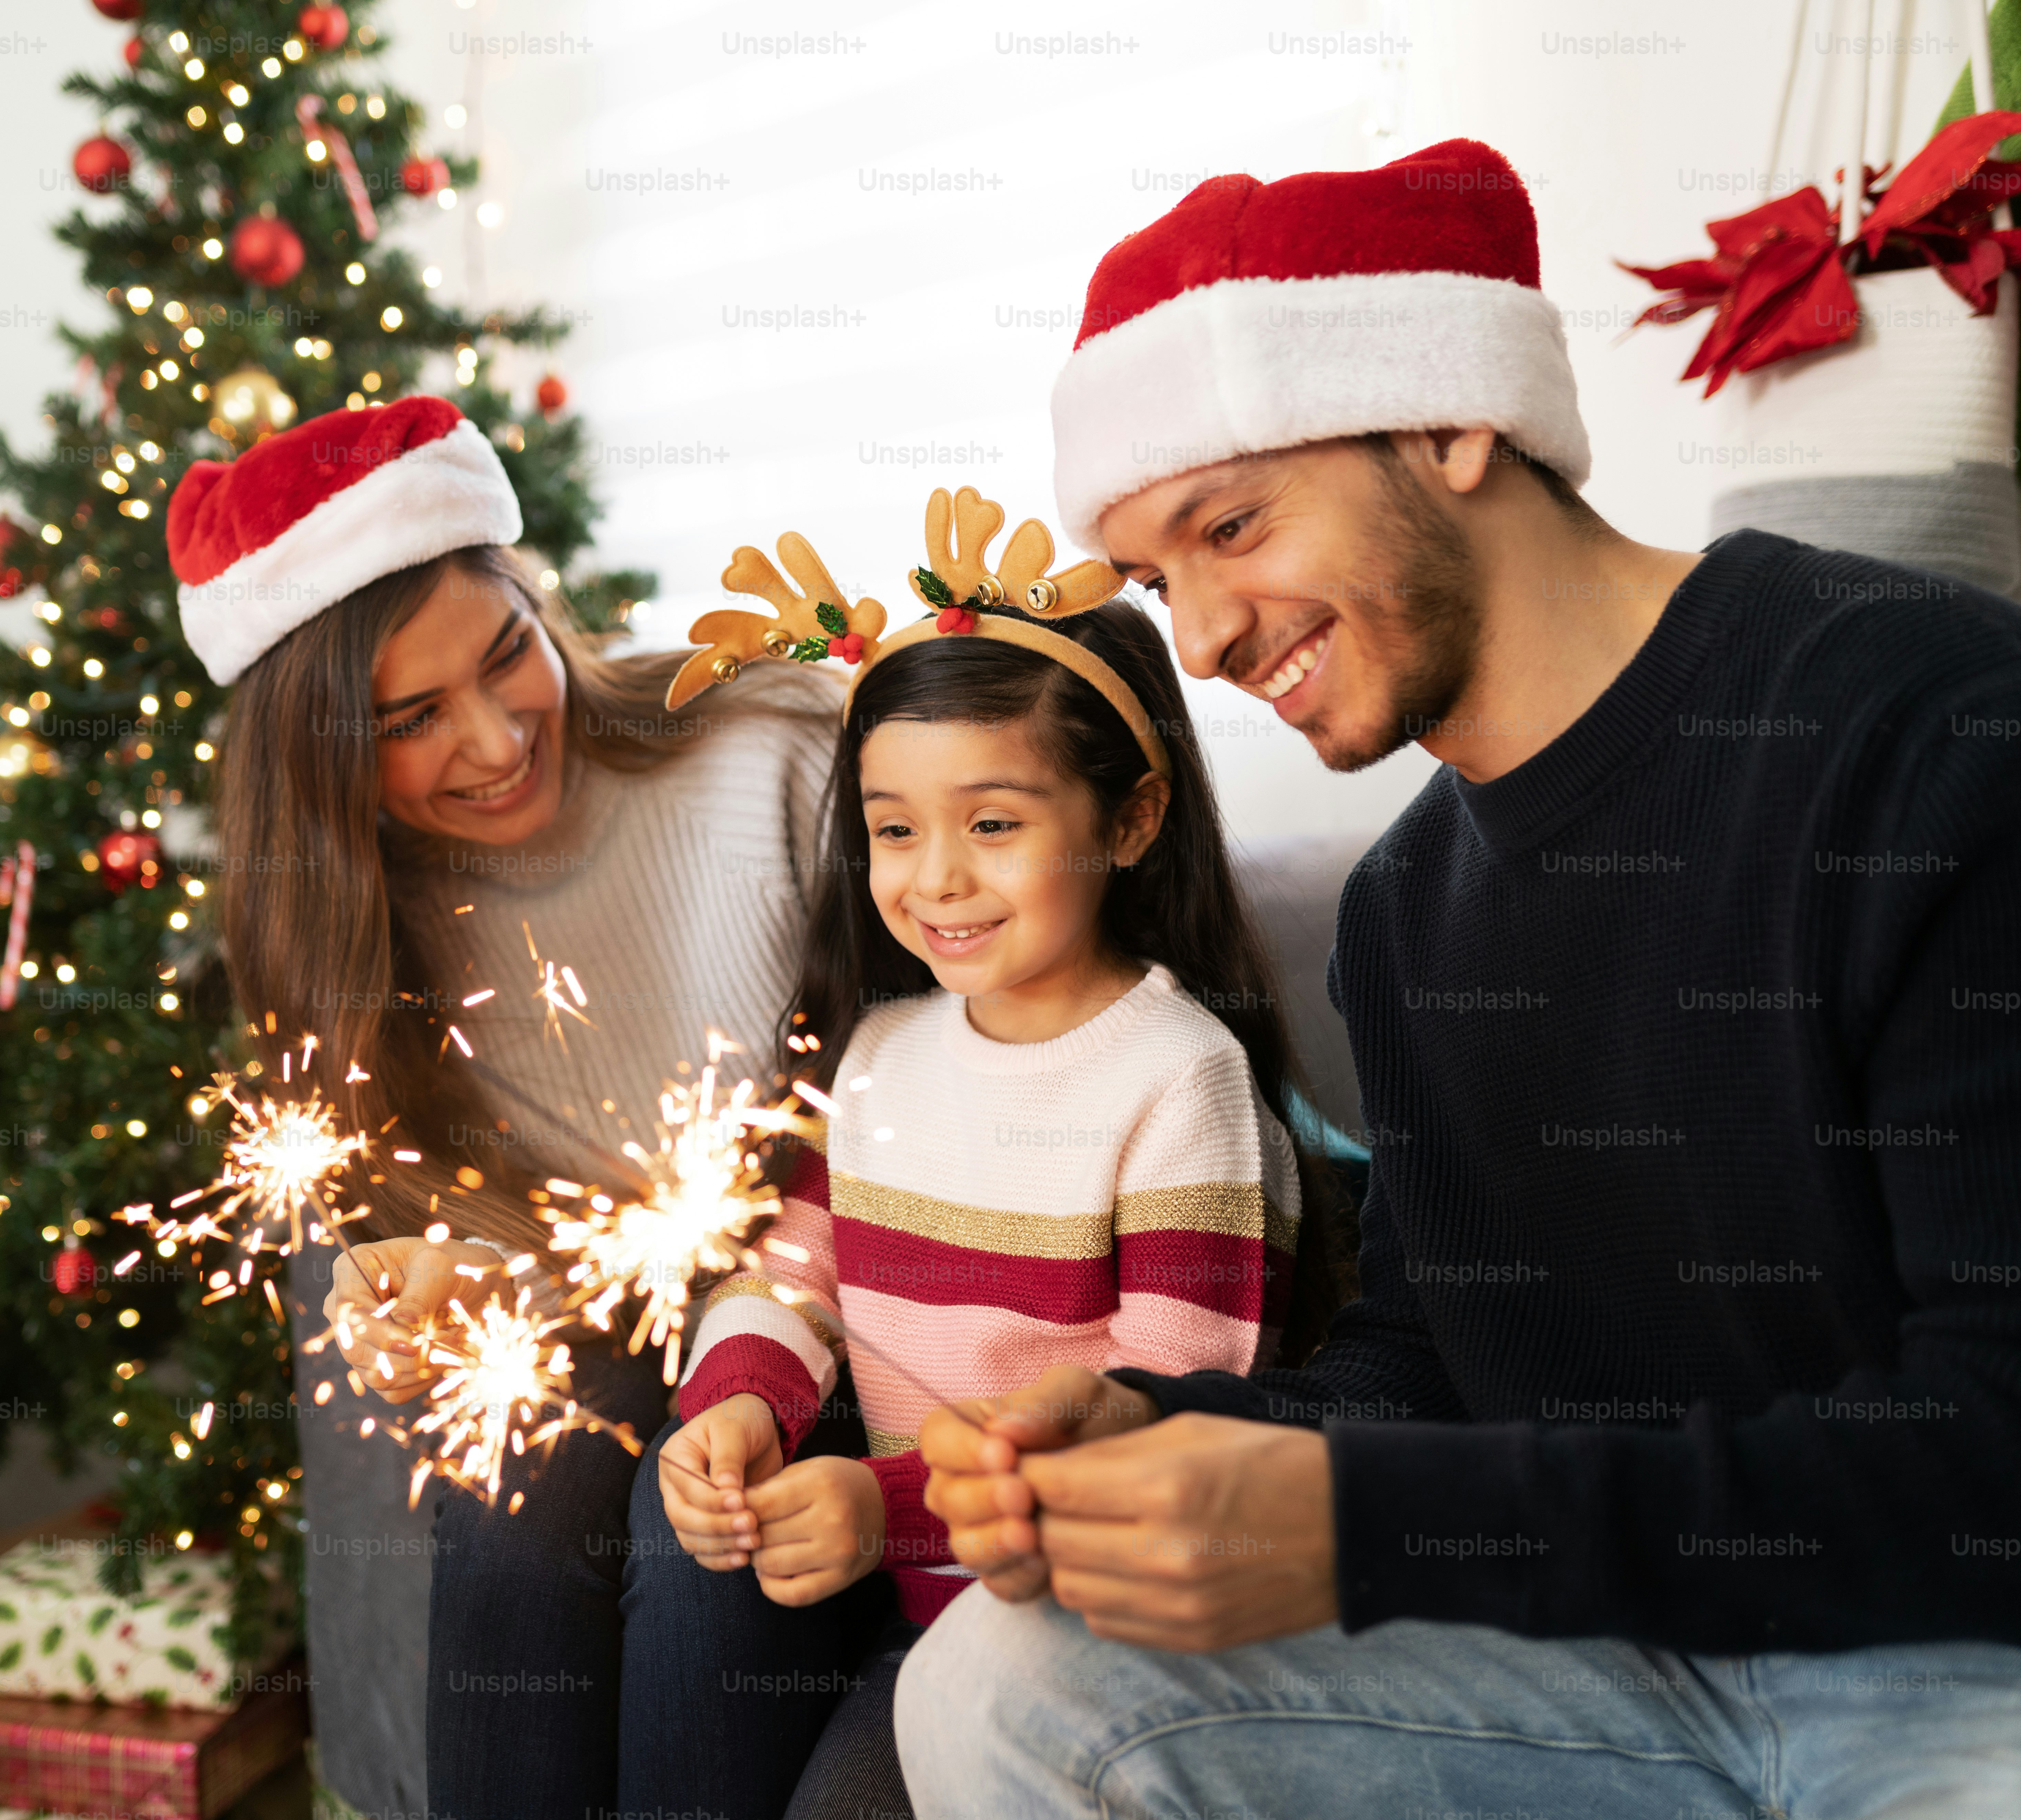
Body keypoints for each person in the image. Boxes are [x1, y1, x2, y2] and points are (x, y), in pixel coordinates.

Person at [897, 137, 2021, 1817]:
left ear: (1448, 420)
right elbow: (1431, 1355)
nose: (1194, 639)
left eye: (1230, 525)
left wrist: (1370, 1532)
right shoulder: (1406, 910)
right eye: (1152, 580)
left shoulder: (1919, 729)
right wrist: (1159, 1431)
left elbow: (1991, 1452)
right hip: (1604, 1660)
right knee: (1006, 1682)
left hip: (1954, 1659)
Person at [623, 498, 1353, 1819]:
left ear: (1130, 823)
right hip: (904, 1599)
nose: (936, 878)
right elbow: (794, 1271)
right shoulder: (883, 1052)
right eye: (895, 828)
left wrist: (886, 1511)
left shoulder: (1177, 1079)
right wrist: (744, 1395)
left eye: (995, 824)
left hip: (1083, 1629)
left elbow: (1163, 1420)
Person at [166, 394, 843, 1819]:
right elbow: (401, 1221)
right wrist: (410, 1290)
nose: (491, 740)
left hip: (836, 1296)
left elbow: (913, 1090)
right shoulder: (337, 924)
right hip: (583, 1327)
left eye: (506, 656)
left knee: (705, 1544)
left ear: (540, 608)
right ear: (318, 756)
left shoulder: (767, 745)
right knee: (507, 1510)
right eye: (410, 720)